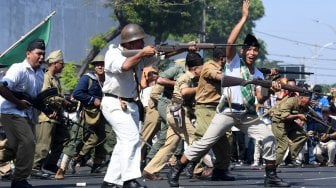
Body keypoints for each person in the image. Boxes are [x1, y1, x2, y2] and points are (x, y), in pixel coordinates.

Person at [167, 0, 290, 187]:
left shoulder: (257, 73)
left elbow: (260, 98)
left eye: (256, 50)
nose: (253, 53)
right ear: (244, 51)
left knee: (269, 137)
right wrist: (244, 18)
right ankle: (176, 170)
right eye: (249, 49)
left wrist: (270, 88)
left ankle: (270, 177)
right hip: (226, 112)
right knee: (204, 143)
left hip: (247, 115)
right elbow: (231, 41)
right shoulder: (234, 62)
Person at [100, 23, 159, 188]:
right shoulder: (113, 53)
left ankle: (110, 181)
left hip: (131, 104)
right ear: (130, 43)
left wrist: (184, 49)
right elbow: (124, 66)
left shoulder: (138, 54)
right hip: (114, 101)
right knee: (131, 138)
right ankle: (129, 180)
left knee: (123, 143)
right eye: (140, 41)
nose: (142, 44)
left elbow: (161, 56)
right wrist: (141, 53)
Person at [142, 52, 203, 180]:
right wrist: (200, 89)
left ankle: (150, 169)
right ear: (196, 68)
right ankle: (198, 169)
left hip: (175, 112)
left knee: (170, 144)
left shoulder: (190, 78)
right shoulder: (185, 78)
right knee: (195, 139)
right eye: (201, 67)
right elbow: (185, 92)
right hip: (178, 113)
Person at [55, 55, 116, 179]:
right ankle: (62, 167)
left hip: (104, 114)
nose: (100, 66)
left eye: (102, 64)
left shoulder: (110, 79)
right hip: (88, 113)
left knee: (107, 138)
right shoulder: (88, 78)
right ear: (94, 66)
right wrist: (93, 99)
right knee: (76, 139)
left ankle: (97, 165)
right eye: (97, 64)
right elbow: (77, 93)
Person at [0, 39, 46, 188]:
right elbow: (2, 87)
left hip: (27, 115)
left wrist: (47, 110)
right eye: (38, 54)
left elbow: (34, 98)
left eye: (43, 54)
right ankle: (19, 180)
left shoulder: (40, 74)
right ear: (28, 54)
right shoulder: (18, 68)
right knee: (28, 142)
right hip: (11, 111)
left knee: (13, 148)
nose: (42, 57)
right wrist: (18, 102)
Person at [31, 49, 71, 179]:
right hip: (46, 116)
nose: (63, 65)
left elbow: (56, 96)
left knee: (63, 138)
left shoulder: (56, 79)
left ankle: (50, 164)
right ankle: (35, 168)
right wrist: (62, 100)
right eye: (61, 63)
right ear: (55, 63)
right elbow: (45, 96)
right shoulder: (45, 77)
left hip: (57, 116)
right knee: (44, 144)